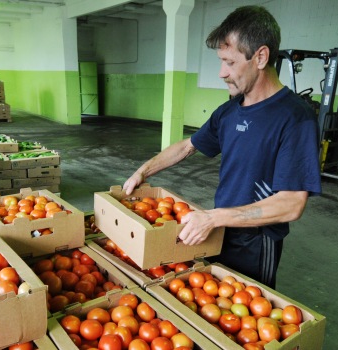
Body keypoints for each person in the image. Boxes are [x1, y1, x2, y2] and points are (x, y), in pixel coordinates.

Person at [123, 5, 322, 288]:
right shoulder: (229, 111)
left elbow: (291, 204)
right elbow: (187, 146)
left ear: (261, 57)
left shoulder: (295, 118)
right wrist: (143, 172)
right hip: (218, 230)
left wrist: (213, 218)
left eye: (229, 62)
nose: (221, 73)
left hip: (256, 241)